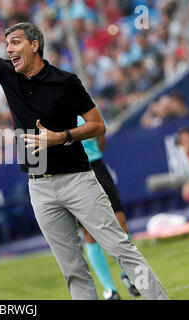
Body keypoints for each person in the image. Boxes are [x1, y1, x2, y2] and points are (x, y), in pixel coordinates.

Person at [0, 22, 169, 300]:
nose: (8, 49)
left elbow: (97, 125)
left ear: (34, 45)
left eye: (15, 42)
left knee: (121, 249)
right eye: (6, 44)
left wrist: (61, 137)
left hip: (77, 179)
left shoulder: (65, 81)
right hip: (38, 187)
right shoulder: (7, 73)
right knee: (72, 269)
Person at [77, 116, 140, 300]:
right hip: (75, 174)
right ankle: (109, 289)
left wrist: (95, 154)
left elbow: (100, 131)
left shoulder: (85, 103)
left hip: (97, 167)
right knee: (89, 234)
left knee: (120, 225)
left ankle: (128, 274)